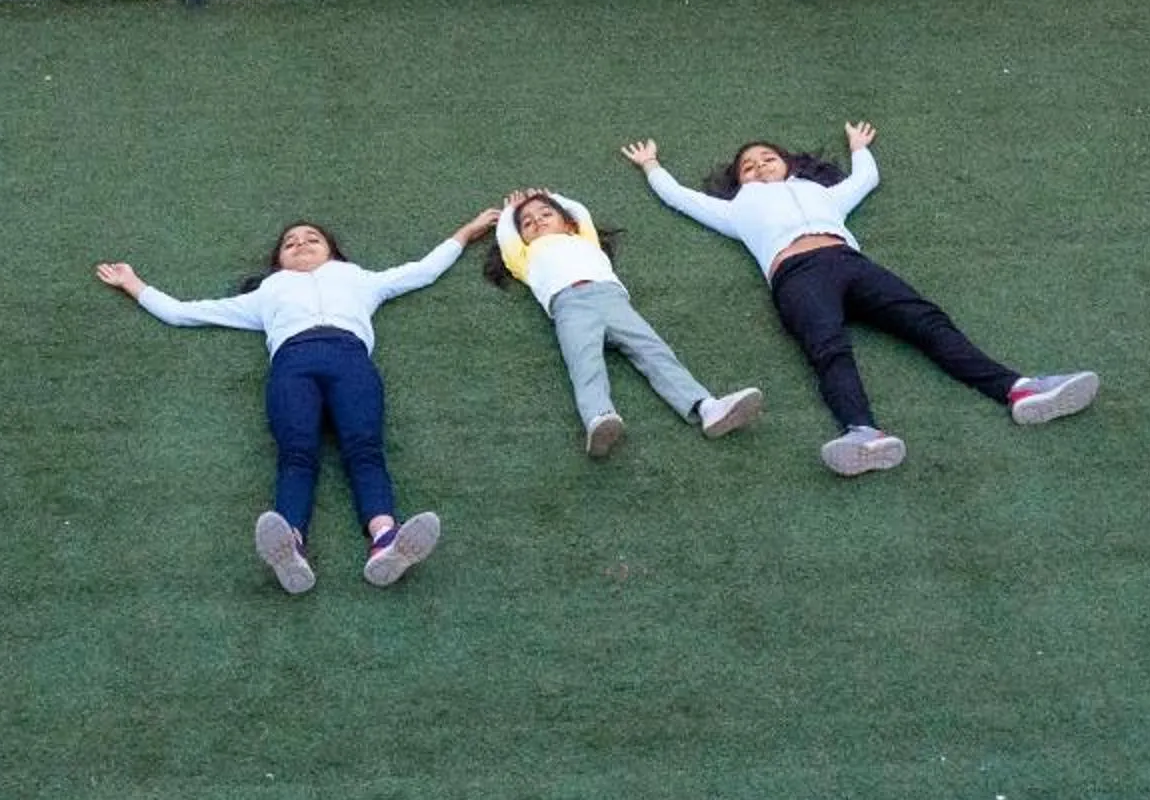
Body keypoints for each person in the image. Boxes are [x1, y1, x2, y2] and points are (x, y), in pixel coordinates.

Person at [618, 121, 1097, 476]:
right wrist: (652, 166)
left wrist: (859, 149)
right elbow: (679, 197)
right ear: (739, 179)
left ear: (787, 163)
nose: (760, 166)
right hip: (796, 274)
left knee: (930, 324)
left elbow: (864, 181)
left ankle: (1021, 389)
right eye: (749, 165)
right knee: (828, 350)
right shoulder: (736, 208)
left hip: (851, 263)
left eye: (768, 158)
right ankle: (863, 434)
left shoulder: (820, 193)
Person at [95, 209, 496, 594]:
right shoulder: (266, 292)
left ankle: (386, 541)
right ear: (279, 261)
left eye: (312, 239)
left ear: (332, 251)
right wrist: (134, 283)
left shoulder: (359, 278)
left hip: (350, 361)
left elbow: (423, 270)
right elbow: (183, 312)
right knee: (296, 454)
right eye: (290, 243)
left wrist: (469, 231)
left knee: (365, 450)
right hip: (292, 366)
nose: (301, 244)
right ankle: (289, 546)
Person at [481, 186, 764, 458]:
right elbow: (506, 235)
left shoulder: (583, 238)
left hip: (611, 298)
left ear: (567, 224)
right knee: (584, 364)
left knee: (654, 351)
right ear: (523, 237)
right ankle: (599, 418)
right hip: (568, 306)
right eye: (527, 223)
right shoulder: (523, 258)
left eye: (545, 214)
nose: (537, 222)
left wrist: (550, 196)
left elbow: (579, 210)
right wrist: (510, 212)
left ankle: (706, 407)